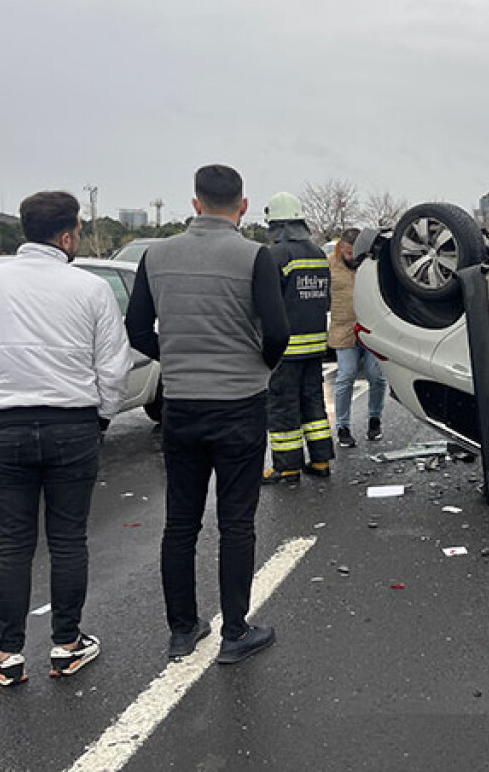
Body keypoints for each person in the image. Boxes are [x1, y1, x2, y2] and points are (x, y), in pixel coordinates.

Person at [126, 165, 289, 664]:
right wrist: (255, 366)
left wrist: (174, 355)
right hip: (240, 405)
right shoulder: (254, 256)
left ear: (195, 204)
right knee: (237, 521)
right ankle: (235, 632)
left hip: (182, 405)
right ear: (242, 207)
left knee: (181, 521)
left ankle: (182, 630)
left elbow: (136, 329)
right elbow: (277, 332)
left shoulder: (157, 255)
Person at [0, 192, 132, 687]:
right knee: (68, 540)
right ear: (68, 235)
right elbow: (113, 364)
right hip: (72, 424)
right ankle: (67, 644)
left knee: (13, 544)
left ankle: (7, 653)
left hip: (3, 426)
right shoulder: (90, 289)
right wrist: (102, 418)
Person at [261, 192, 334, 484]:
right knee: (313, 403)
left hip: (287, 348)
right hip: (315, 344)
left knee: (283, 406)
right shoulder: (318, 253)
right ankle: (320, 461)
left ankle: (287, 466)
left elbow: (267, 301)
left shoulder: (276, 255)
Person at [329, 228, 387, 448]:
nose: (351, 257)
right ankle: (343, 426)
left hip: (371, 329)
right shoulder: (329, 265)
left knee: (376, 376)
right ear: (340, 247)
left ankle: (375, 419)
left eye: (354, 252)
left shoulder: (371, 264)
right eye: (347, 252)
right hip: (343, 329)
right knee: (346, 375)